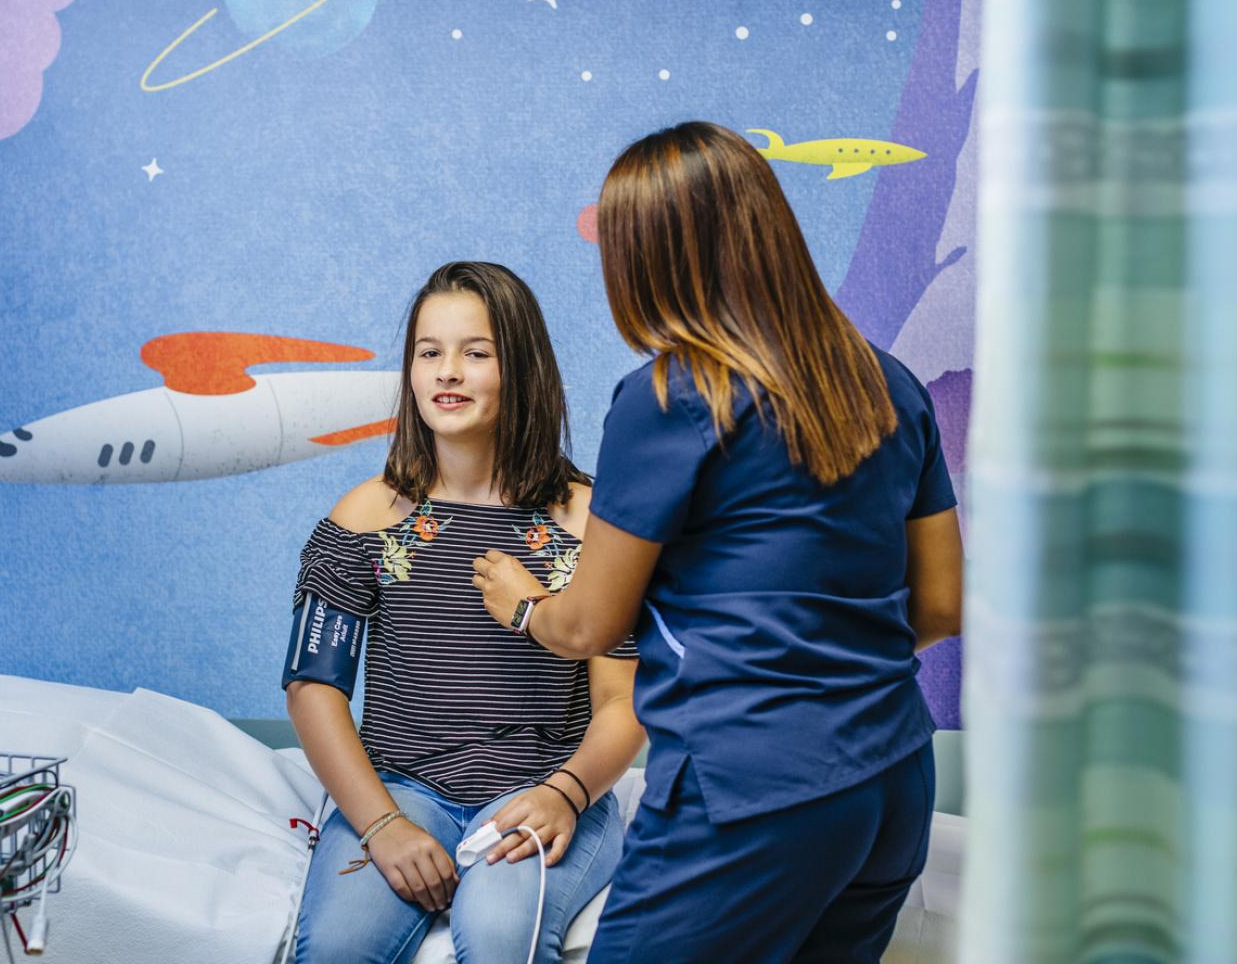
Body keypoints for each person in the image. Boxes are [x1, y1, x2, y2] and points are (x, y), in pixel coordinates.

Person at [471, 122, 965, 962]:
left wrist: (525, 608)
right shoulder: (889, 384)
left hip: (753, 787)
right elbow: (943, 603)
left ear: (649, 261)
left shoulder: (668, 395)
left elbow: (591, 624)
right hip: (892, 780)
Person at [286, 261, 645, 964]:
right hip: (401, 787)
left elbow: (623, 700)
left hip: (540, 790)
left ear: (523, 369)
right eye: (430, 353)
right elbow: (312, 688)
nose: (448, 372)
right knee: (333, 948)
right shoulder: (364, 517)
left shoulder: (590, 523)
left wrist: (568, 795)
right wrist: (382, 823)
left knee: (499, 937)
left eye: (476, 353)